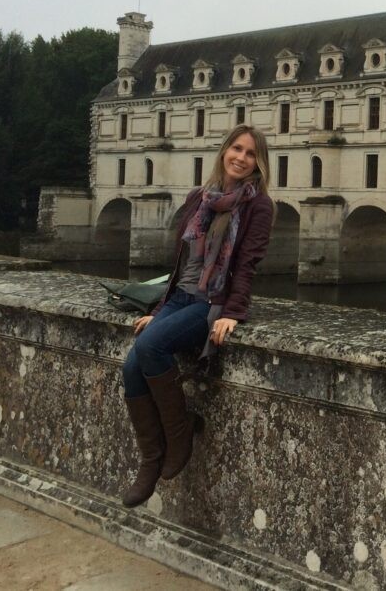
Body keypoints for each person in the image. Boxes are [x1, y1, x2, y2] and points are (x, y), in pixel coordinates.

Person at [120, 124, 274, 507]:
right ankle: (151, 459)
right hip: (180, 298)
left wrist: (233, 313)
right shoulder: (198, 198)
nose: (241, 157)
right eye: (236, 148)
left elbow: (248, 263)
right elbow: (181, 264)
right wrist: (159, 310)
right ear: (224, 151)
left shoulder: (259, 205)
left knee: (151, 347)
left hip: (210, 304)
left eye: (250, 153)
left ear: (259, 162)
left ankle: (179, 435)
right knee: (130, 366)